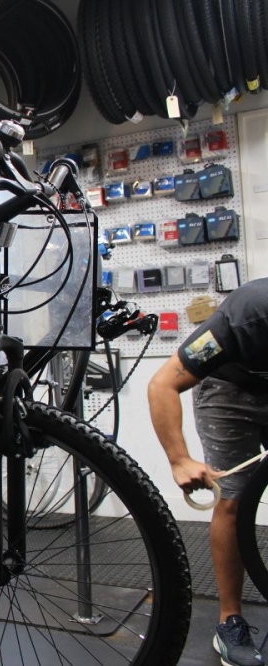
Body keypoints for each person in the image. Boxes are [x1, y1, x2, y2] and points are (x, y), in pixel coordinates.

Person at [148, 277, 268, 666]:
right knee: (234, 499)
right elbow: (162, 384)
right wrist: (179, 459)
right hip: (229, 391)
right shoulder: (247, 315)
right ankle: (229, 620)